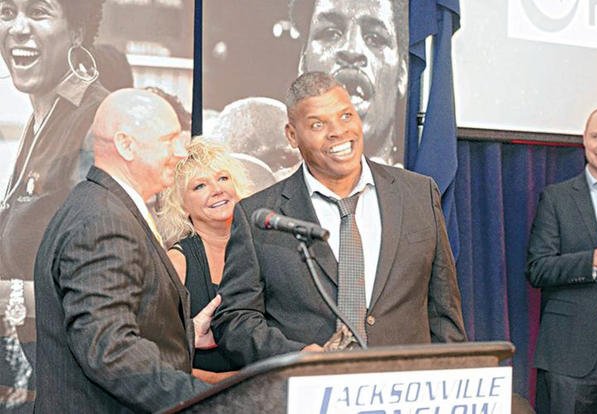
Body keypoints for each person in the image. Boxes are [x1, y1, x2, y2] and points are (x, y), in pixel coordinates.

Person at [212, 72, 466, 367]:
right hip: (310, 395)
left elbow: (444, 310)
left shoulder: (418, 194)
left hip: (404, 391)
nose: (337, 131)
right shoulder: (260, 214)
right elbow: (235, 319)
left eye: (346, 116)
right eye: (318, 124)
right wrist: (293, 355)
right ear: (292, 135)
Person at [33, 89, 214, 412]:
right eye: (169, 140)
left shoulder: (100, 205)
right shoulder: (104, 221)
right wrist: (206, 403)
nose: (181, 152)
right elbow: (110, 349)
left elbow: (117, 320)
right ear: (126, 145)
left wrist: (184, 333)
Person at [0, 0, 108, 407]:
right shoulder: (44, 114)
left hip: (62, 388)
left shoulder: (94, 120)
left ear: (78, 30)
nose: (18, 28)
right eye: (7, 12)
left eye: (39, 12)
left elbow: (92, 293)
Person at [527, 106, 597, 413]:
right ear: (583, 139)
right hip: (570, 351)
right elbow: (537, 269)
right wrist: (595, 258)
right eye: (595, 136)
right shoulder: (557, 198)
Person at [157, 138, 250, 383]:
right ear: (181, 205)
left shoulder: (266, 247)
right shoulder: (177, 262)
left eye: (223, 178)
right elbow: (156, 357)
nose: (217, 189)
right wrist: (223, 382)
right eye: (200, 186)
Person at [290, 0, 408, 165]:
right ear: (302, 64)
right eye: (331, 33)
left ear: (402, 73)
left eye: (374, 38)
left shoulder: (423, 189)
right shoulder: (254, 186)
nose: (352, 50)